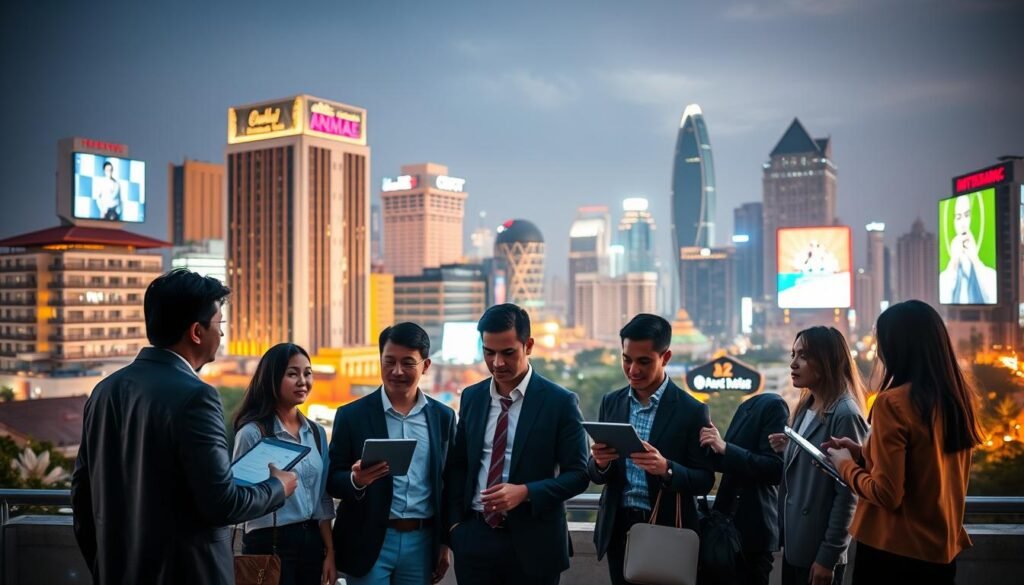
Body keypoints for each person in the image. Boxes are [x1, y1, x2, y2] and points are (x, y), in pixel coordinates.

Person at [71, 268, 298, 585]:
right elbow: (222, 504)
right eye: (219, 325)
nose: (221, 335)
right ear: (196, 332)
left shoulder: (105, 390)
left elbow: (82, 495)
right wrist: (278, 487)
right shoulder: (197, 396)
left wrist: (103, 567)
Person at [825, 301, 983, 584]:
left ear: (897, 346)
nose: (878, 351)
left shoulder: (893, 403)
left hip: (893, 553)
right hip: (940, 553)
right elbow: (926, 466)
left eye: (881, 342)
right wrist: (863, 453)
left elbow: (887, 494)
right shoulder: (955, 400)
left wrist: (845, 465)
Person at [445, 304, 589, 585]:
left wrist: (525, 492)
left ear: (529, 345)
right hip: (474, 540)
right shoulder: (472, 397)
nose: (497, 363)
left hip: (535, 545)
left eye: (508, 352)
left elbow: (580, 474)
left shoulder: (559, 402)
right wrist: (455, 529)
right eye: (489, 352)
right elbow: (458, 465)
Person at [588, 313, 715, 585]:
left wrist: (667, 469)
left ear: (665, 357)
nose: (633, 369)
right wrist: (599, 463)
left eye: (643, 361)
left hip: (666, 531)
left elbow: (705, 480)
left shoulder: (691, 410)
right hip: (618, 528)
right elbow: (600, 477)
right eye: (626, 359)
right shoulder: (612, 402)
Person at [328, 323, 457, 585]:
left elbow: (450, 484)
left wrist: (445, 543)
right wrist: (356, 480)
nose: (397, 371)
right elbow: (331, 479)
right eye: (389, 361)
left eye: (408, 363)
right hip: (368, 541)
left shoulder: (443, 417)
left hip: (422, 542)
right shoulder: (352, 416)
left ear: (426, 365)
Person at [767, 326, 868, 585]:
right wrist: (789, 449)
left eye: (803, 356)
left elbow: (848, 493)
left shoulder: (845, 414)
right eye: (793, 354)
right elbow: (817, 464)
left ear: (826, 360)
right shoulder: (807, 405)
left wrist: (828, 556)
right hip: (796, 544)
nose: (793, 363)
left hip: (818, 553)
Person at [232, 343, 336, 585]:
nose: (303, 381)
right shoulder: (253, 433)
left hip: (311, 543)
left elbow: (322, 500)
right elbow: (238, 498)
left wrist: (330, 551)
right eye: (292, 374)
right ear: (271, 379)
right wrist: (275, 487)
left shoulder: (317, 433)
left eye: (307, 373)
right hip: (268, 543)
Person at [699, 384, 790, 584]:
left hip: (751, 538)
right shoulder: (748, 410)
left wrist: (726, 448)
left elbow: (775, 470)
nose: (794, 363)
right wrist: (715, 447)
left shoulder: (773, 406)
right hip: (728, 534)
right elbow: (736, 464)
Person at [939, 193, 996, 304]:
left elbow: (992, 296)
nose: (963, 224)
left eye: (967, 215)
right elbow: (944, 298)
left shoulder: (989, 274)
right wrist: (954, 261)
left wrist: (975, 259)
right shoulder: (946, 276)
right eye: (958, 217)